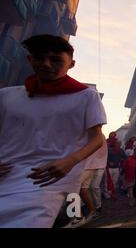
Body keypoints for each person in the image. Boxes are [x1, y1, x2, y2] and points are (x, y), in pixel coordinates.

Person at [0, 34, 106, 228]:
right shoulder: (6, 96)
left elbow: (97, 139)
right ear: (30, 60)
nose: (46, 64)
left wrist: (70, 161)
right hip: (5, 176)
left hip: (48, 181)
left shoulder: (87, 97)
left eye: (56, 60)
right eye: (40, 58)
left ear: (71, 64)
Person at [64, 135, 108, 228]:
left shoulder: (88, 134)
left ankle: (77, 218)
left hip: (85, 166)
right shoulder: (99, 135)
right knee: (83, 190)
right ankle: (92, 212)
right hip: (92, 166)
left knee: (70, 189)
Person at [105, 133, 126, 198]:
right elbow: (105, 157)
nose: (118, 144)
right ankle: (106, 193)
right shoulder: (109, 149)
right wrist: (108, 162)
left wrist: (122, 161)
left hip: (116, 168)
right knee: (107, 181)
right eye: (117, 143)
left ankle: (111, 192)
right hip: (109, 168)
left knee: (114, 181)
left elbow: (125, 157)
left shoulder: (121, 151)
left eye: (119, 144)